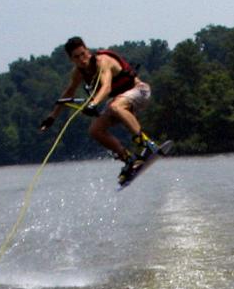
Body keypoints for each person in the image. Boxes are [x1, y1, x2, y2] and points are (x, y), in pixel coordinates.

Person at [39, 36, 159, 183]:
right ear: (71, 60)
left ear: (87, 51)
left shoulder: (102, 62)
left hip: (140, 91)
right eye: (77, 57)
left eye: (83, 54)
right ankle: (129, 159)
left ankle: (146, 144)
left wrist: (93, 104)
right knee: (95, 130)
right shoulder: (78, 73)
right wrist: (52, 117)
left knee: (115, 106)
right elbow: (68, 93)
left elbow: (106, 86)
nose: (82, 59)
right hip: (121, 101)